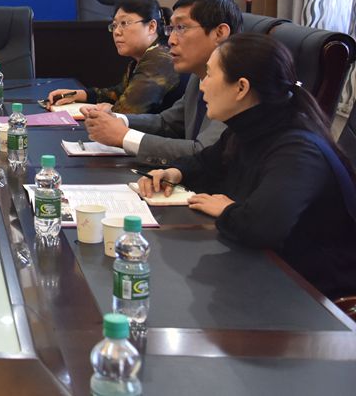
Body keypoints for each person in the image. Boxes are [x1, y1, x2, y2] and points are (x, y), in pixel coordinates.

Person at [138, 34, 356, 298]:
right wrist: (174, 172)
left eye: (209, 75)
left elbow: (262, 227)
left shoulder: (297, 149)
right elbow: (206, 162)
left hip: (312, 293)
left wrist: (227, 209)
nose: (202, 86)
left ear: (241, 88)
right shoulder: (249, 127)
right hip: (264, 269)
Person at [81, 0, 242, 166]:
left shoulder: (238, 86)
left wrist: (124, 136)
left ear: (219, 33)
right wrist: (119, 120)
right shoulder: (199, 77)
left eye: (181, 28)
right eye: (171, 29)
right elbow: (167, 123)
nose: (171, 40)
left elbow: (203, 153)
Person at [47, 0, 178, 114]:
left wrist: (110, 109)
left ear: (151, 27)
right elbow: (118, 93)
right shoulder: (143, 58)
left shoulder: (160, 59)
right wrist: (78, 94)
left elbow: (127, 111)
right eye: (114, 25)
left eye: (124, 23)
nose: (116, 32)